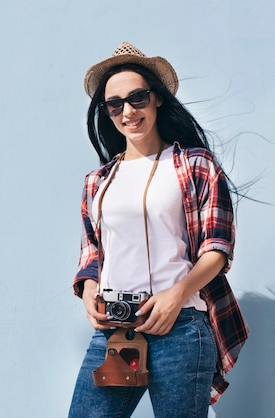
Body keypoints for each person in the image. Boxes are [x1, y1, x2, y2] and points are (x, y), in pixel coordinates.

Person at [68, 42, 250, 417]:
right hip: (115, 329)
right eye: (115, 104)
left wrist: (177, 294)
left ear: (158, 99)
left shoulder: (194, 165)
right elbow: (93, 251)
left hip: (180, 325)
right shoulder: (97, 182)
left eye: (137, 98)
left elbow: (217, 248)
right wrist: (88, 291)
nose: (128, 112)